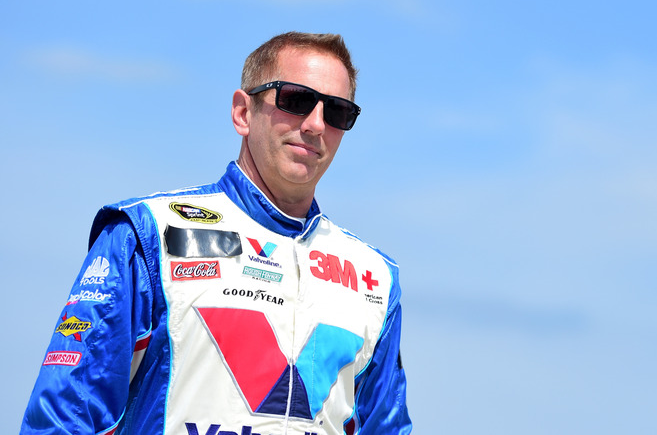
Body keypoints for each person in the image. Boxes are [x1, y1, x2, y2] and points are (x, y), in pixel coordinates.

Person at [21, 32, 412, 435]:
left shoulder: (375, 278)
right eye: (295, 100)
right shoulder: (148, 233)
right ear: (243, 113)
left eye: (337, 112)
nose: (315, 124)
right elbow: (65, 418)